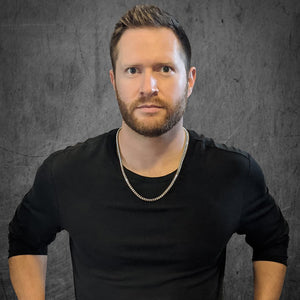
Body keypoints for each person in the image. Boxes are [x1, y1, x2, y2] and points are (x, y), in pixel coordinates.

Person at [8, 4, 289, 300]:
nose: (148, 86)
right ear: (114, 81)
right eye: (133, 70)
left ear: (189, 80)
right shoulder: (65, 172)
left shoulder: (234, 173)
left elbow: (271, 239)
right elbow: (25, 237)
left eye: (164, 69)